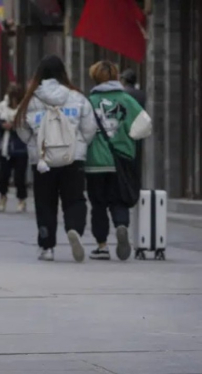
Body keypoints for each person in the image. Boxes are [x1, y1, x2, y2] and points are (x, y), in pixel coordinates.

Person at [15, 55, 97, 262]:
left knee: (45, 203)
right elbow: (89, 128)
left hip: (43, 160)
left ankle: (46, 246)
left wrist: (34, 145)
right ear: (63, 73)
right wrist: (78, 146)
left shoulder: (32, 99)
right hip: (73, 158)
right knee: (75, 198)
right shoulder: (77, 97)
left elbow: (21, 129)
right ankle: (74, 229)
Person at [86, 61, 152, 261]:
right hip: (121, 160)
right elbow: (145, 124)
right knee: (119, 199)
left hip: (96, 162)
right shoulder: (126, 99)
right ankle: (121, 225)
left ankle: (102, 246)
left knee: (98, 204)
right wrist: (127, 137)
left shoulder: (89, 102)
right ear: (116, 77)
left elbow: (82, 131)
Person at [0, 83, 28, 213]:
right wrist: (3, 125)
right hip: (5, 147)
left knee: (20, 176)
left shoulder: (25, 107)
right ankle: (2, 196)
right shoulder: (2, 107)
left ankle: (21, 199)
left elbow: (28, 126)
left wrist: (16, 127)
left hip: (21, 147)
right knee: (3, 176)